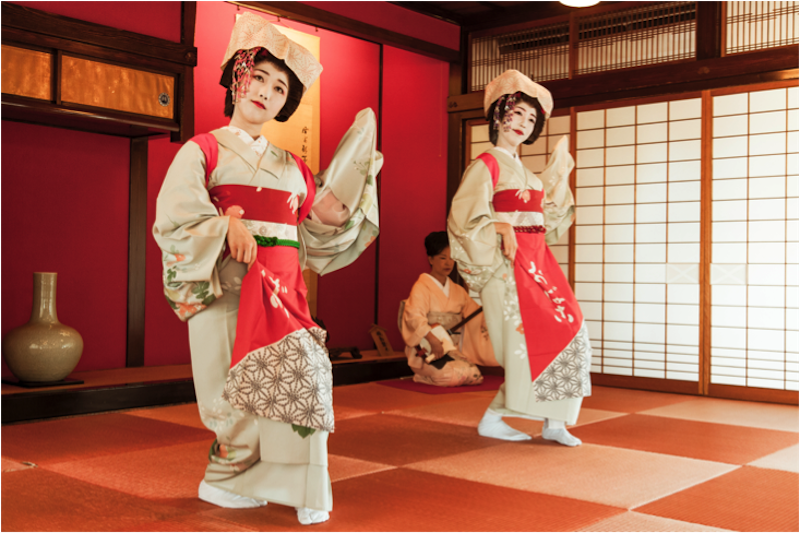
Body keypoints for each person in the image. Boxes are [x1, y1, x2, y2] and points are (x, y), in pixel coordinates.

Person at [153, 12, 381, 526]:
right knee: (234, 396)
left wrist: (361, 172)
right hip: (226, 287)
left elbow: (328, 218)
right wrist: (222, 227)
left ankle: (298, 486)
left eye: (280, 87)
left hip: (282, 290)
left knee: (302, 378)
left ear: (286, 103)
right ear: (237, 79)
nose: (267, 92)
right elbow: (175, 221)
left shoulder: (292, 166)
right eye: (259, 77)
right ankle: (226, 479)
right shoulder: (202, 150)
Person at [447, 70, 591, 447]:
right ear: (498, 114)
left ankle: (555, 421)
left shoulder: (530, 175)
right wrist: (499, 225)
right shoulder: (486, 166)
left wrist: (558, 179)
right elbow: (463, 220)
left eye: (532, 119)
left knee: (570, 329)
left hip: (537, 262)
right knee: (524, 346)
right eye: (518, 113)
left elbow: (549, 223)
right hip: (503, 266)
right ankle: (495, 417)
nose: (524, 124)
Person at [400, 231, 495, 387]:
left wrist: (496, 312)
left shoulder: (458, 290)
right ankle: (421, 375)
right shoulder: (421, 287)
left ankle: (437, 373)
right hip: (428, 349)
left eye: (452, 258)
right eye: (443, 258)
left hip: (451, 349)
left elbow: (477, 315)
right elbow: (414, 318)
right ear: (430, 259)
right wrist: (433, 339)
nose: (448, 263)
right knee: (448, 376)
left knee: (475, 376)